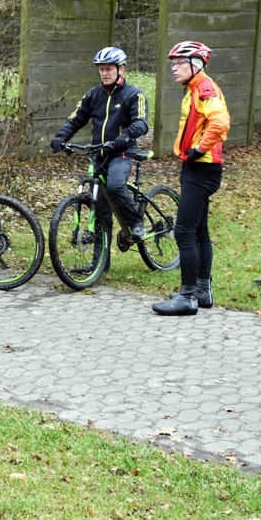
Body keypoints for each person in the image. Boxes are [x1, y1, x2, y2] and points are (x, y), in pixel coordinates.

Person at [50, 47, 150, 272]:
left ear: (121, 69)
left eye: (109, 69)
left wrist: (126, 135)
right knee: (99, 207)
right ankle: (100, 263)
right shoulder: (93, 94)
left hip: (120, 153)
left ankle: (136, 223)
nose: (104, 73)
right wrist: (61, 137)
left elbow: (142, 122)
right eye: (101, 69)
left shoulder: (134, 94)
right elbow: (75, 119)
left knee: (115, 186)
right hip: (98, 154)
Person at [152, 41, 230, 316]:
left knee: (184, 231)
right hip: (199, 168)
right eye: (172, 63)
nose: (173, 68)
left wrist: (199, 149)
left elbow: (220, 122)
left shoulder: (204, 88)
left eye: (179, 63)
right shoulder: (194, 88)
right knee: (199, 231)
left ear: (196, 65)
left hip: (202, 168)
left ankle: (187, 297)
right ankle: (202, 291)